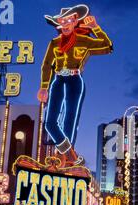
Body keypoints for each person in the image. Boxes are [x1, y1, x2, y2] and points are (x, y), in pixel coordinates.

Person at [37, 4, 113, 166]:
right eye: (62, 22)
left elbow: (108, 47)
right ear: (59, 24)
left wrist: (96, 28)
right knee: (50, 122)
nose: (65, 25)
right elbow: (46, 64)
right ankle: (70, 154)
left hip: (75, 79)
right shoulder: (54, 43)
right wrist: (44, 86)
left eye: (68, 21)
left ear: (74, 22)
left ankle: (63, 156)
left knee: (70, 119)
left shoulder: (84, 40)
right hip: (58, 80)